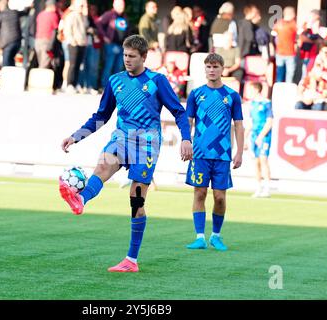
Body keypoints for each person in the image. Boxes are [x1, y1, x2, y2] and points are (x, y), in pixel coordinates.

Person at [59, 35, 193, 272]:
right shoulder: (115, 81)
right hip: (121, 138)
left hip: (147, 143)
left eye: (132, 56)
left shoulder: (157, 81)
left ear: (144, 57)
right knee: (102, 166)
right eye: (125, 55)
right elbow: (101, 116)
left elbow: (179, 112)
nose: (127, 60)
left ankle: (131, 259)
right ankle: (80, 199)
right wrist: (75, 136)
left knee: (136, 200)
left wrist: (186, 139)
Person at [185, 53, 244, 251]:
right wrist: (185, 142)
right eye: (208, 67)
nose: (212, 70)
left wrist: (239, 152)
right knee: (199, 193)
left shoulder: (232, 96)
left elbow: (239, 125)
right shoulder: (195, 94)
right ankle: (199, 237)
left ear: (222, 69)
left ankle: (216, 236)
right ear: (205, 69)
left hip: (222, 154)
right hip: (200, 152)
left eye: (215, 67)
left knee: (220, 197)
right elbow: (189, 122)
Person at [244, 82, 273, 198]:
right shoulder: (252, 105)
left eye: (250, 90)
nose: (248, 92)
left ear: (256, 90)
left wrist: (261, 136)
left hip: (264, 136)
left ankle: (267, 188)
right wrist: (245, 138)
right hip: (254, 136)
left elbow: (269, 121)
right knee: (255, 162)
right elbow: (250, 123)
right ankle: (258, 187)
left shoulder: (266, 103)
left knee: (263, 159)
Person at [97, 0, 131, 88]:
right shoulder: (109, 14)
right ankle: (104, 86)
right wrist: (104, 36)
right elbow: (99, 23)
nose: (121, 6)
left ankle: (116, 88)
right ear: (114, 4)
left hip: (122, 46)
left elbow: (127, 30)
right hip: (111, 44)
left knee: (119, 67)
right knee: (109, 66)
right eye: (119, 4)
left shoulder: (125, 16)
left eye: (123, 4)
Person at [0, 0, 24, 67]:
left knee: (6, 63)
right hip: (17, 42)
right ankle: (12, 75)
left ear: (0, 6)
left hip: (7, 42)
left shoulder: (0, 15)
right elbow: (24, 12)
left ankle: (6, 76)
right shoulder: (15, 13)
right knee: (11, 61)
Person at [271, 6, 297, 83]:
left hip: (280, 52)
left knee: (279, 72)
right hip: (290, 53)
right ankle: (287, 91)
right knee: (289, 73)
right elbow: (298, 36)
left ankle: (278, 90)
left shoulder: (278, 24)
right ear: (292, 14)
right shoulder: (293, 24)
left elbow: (272, 38)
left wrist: (275, 48)